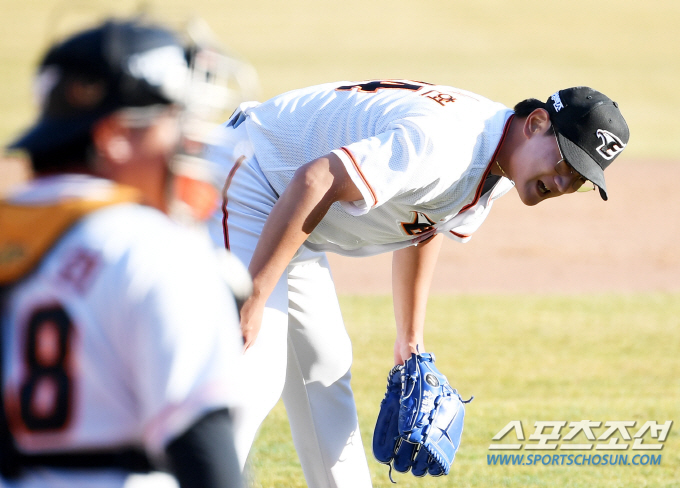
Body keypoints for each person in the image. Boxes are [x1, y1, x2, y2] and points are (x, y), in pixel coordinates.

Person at [206, 79, 629, 486]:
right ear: (536, 123)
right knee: (253, 374)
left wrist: (410, 338)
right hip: (252, 174)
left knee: (325, 369)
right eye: (564, 162)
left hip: (296, 212)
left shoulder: (501, 162)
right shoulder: (447, 143)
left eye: (579, 179)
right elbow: (317, 179)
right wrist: (254, 293)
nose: (563, 183)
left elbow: (423, 221)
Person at [0, 18, 251, 488]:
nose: (190, 142)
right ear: (113, 136)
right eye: (174, 119)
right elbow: (203, 445)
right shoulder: (155, 249)